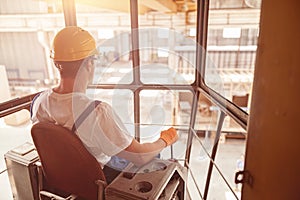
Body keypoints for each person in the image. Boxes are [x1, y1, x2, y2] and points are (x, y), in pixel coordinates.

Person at [30, 26, 178, 183]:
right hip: (98, 179)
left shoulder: (39, 102)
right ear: (89, 64)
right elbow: (140, 156)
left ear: (56, 64)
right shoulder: (96, 112)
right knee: (154, 154)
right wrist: (165, 139)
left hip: (65, 179)